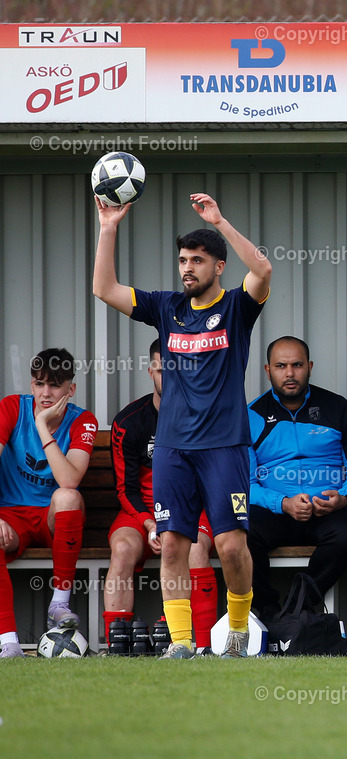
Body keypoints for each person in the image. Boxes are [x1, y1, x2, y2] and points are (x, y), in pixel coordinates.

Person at [93, 192, 272, 659]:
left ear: (218, 266)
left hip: (225, 446)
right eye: (182, 260)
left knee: (231, 547)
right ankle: (181, 642)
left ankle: (236, 631)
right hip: (172, 447)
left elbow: (264, 270)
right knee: (172, 544)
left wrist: (221, 220)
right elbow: (104, 289)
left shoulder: (236, 308)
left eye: (197, 260)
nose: (187, 268)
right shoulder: (165, 307)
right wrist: (108, 226)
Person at [104, 339, 218, 655]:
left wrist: (175, 523)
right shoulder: (129, 421)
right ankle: (118, 647)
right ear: (151, 370)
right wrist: (150, 523)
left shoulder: (205, 416)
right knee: (123, 549)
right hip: (140, 512)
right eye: (163, 368)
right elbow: (123, 489)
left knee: (194, 549)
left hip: (191, 509)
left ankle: (204, 646)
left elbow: (211, 478)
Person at [247, 336, 347, 621]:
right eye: (281, 366)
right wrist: (283, 503)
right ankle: (267, 608)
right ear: (268, 370)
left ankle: (298, 608)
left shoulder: (339, 409)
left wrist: (343, 499)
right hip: (274, 511)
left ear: (310, 367)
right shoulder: (251, 416)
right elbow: (244, 485)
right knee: (240, 532)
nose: (289, 373)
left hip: (329, 510)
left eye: (297, 365)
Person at [0, 348, 96, 658]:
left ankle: (59, 604)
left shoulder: (84, 421)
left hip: (52, 520)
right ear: (31, 385)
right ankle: (9, 643)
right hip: (11, 518)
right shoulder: (12, 407)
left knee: (67, 496)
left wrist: (42, 426)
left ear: (71, 389)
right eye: (39, 383)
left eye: (55, 385)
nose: (46, 392)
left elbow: (69, 481)